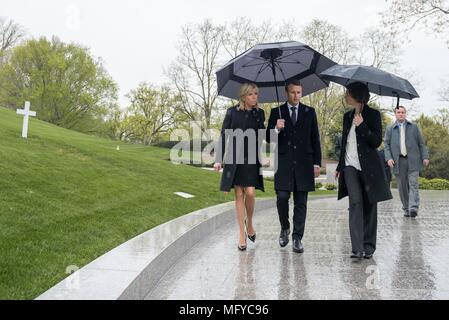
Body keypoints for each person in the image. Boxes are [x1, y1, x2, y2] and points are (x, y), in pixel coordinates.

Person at [335, 82, 392, 260]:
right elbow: (345, 143)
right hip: (350, 165)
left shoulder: (373, 115)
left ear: (356, 96)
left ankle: (368, 246)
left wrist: (362, 126)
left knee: (369, 205)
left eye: (348, 93)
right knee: (355, 203)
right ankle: (357, 248)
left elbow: (376, 142)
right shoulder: (347, 116)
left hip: (369, 168)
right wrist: (339, 167)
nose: (345, 96)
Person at [266, 79, 321, 253]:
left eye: (299, 92)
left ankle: (297, 238)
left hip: (304, 163)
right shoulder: (277, 112)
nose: (296, 95)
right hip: (283, 163)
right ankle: (285, 227)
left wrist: (316, 162)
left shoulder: (309, 112)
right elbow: (268, 139)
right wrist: (276, 129)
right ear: (286, 93)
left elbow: (315, 138)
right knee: (282, 197)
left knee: (301, 202)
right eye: (293, 92)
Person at [214, 83, 265, 251]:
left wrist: (276, 130)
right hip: (234, 157)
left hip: (251, 157)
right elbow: (223, 135)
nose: (255, 97)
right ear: (243, 96)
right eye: (251, 94)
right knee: (238, 193)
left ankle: (249, 223)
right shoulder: (231, 112)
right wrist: (218, 159)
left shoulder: (259, 113)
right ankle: (241, 234)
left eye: (256, 94)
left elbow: (262, 135)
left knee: (250, 192)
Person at [384, 105, 429, 219]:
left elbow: (421, 143)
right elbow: (386, 145)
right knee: (402, 187)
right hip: (398, 161)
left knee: (413, 184)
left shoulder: (413, 127)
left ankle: (413, 207)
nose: (401, 114)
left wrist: (425, 157)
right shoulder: (390, 129)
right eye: (399, 112)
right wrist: (388, 158)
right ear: (395, 114)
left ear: (405, 114)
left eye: (403, 112)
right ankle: (406, 208)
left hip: (413, 160)